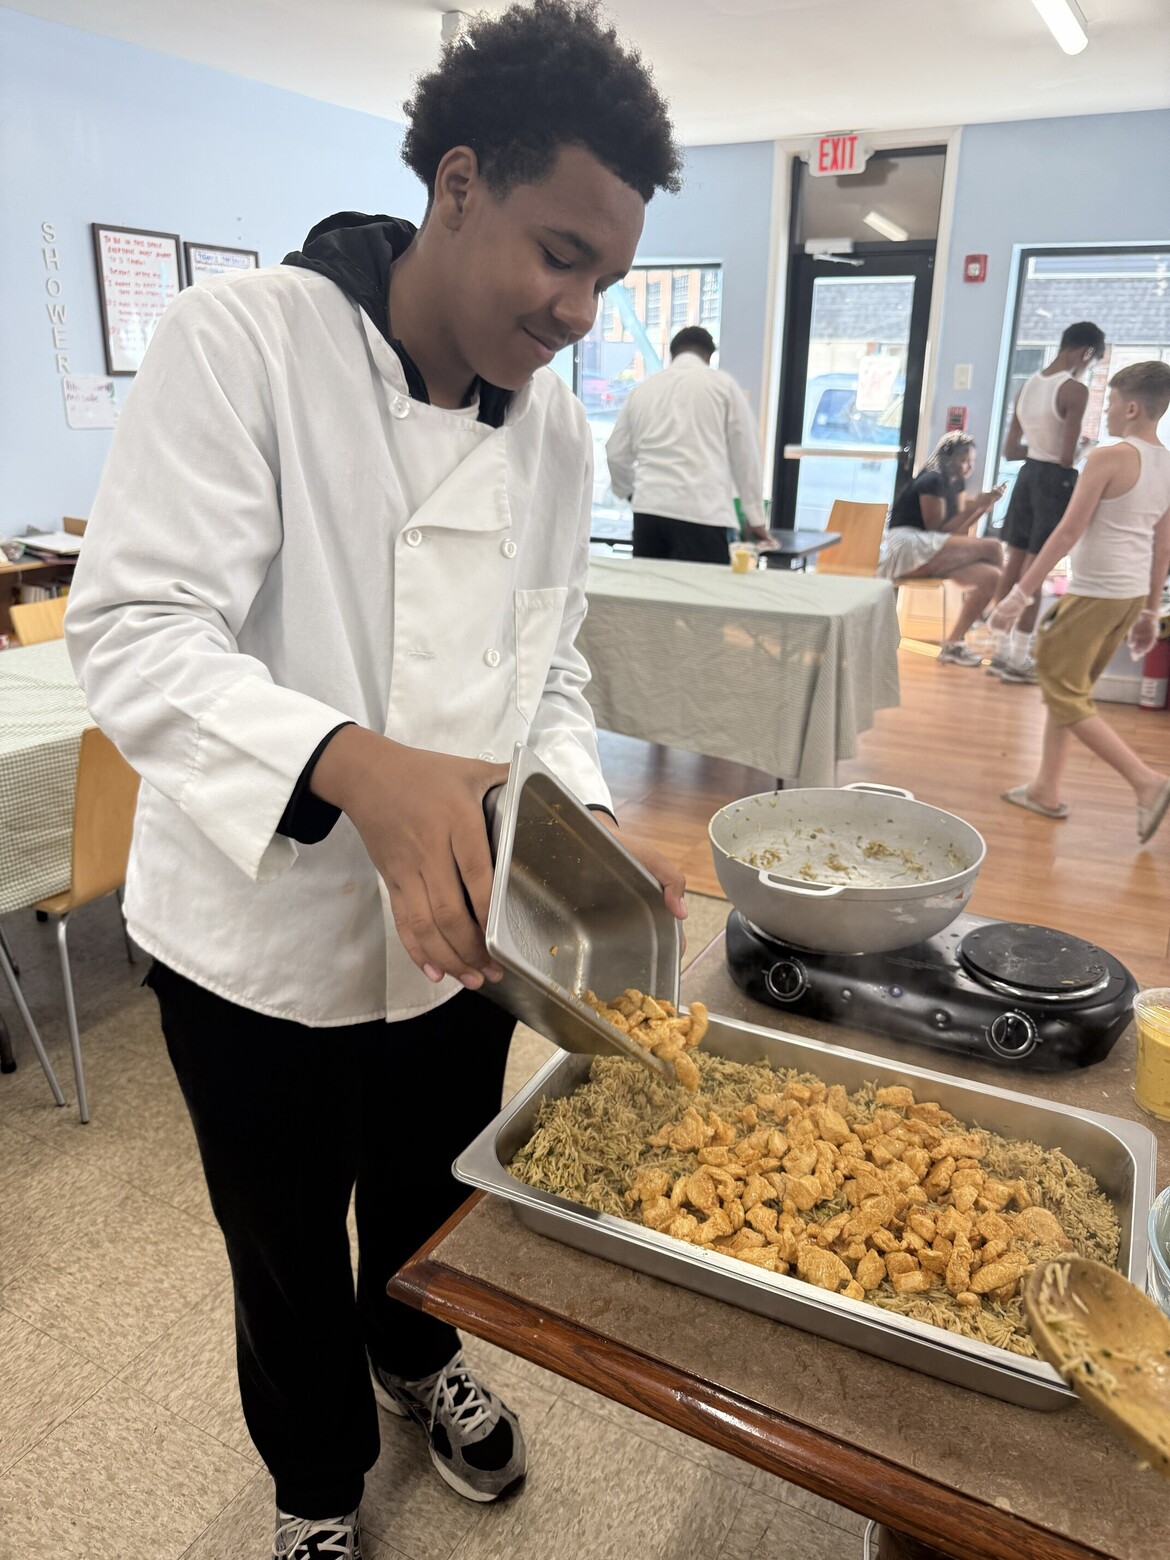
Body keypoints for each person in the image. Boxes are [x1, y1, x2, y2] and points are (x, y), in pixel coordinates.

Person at [63, 6, 686, 1558]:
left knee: (428, 1195)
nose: (579, 311)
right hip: (253, 937)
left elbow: (548, 666)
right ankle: (315, 1490)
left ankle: (416, 1360)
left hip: (463, 933)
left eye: (605, 278)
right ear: (456, 184)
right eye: (559, 253)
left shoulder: (557, 444)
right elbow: (133, 633)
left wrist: (579, 826)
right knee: (280, 1242)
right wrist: (352, 765)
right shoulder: (245, 344)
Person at [992, 361, 1170, 843]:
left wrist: (1019, 593)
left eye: (1110, 402)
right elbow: (1163, 545)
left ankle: (1147, 783)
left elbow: (1067, 531)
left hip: (1096, 595)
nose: (1106, 411)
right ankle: (1046, 789)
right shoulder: (1167, 463)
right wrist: (1151, 612)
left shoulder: (1109, 458)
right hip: (1128, 598)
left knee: (1060, 685)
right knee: (1069, 693)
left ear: (1132, 408)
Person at [989, 321, 1107, 684]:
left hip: (1026, 476)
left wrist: (1041, 450)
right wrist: (1089, 445)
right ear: (1087, 352)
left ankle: (999, 651)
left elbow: (1011, 450)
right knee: (1037, 569)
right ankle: (1020, 657)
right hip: (1054, 482)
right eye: (1093, 362)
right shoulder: (1074, 389)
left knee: (1015, 562)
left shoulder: (1027, 385)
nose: (1090, 369)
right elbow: (1069, 458)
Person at [604, 325, 770, 562]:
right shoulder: (723, 387)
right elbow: (747, 455)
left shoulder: (642, 391)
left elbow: (615, 454)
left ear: (673, 354)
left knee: (649, 597)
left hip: (649, 514)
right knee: (701, 597)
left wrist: (630, 493)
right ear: (708, 355)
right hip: (703, 514)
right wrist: (755, 518)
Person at [876, 432, 1007, 665]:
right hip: (908, 545)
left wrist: (980, 508)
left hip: (931, 549)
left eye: (972, 462)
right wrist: (974, 507)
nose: (968, 467)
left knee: (992, 577)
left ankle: (954, 644)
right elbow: (935, 529)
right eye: (964, 460)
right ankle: (1003, 624)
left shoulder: (956, 484)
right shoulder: (932, 480)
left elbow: (955, 532)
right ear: (949, 459)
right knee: (995, 548)